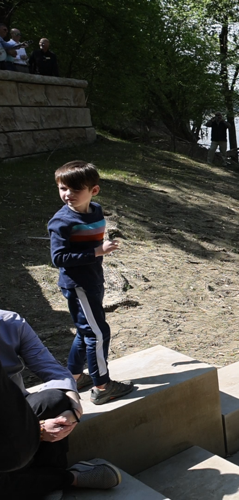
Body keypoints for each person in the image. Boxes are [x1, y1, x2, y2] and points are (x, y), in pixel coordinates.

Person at [0, 309, 123, 497]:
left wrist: (74, 404)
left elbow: (51, 369)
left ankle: (44, 476)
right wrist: (38, 431)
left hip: (16, 411)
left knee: (55, 400)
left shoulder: (9, 322)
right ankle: (67, 479)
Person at [48, 161, 135, 406]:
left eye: (75, 189)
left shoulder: (95, 210)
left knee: (87, 330)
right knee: (98, 333)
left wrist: (98, 251)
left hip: (94, 280)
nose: (68, 194)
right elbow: (58, 258)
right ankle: (102, 386)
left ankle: (74, 378)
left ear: (93, 190)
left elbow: (90, 241)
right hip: (78, 285)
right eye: (63, 188)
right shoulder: (61, 222)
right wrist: (97, 251)